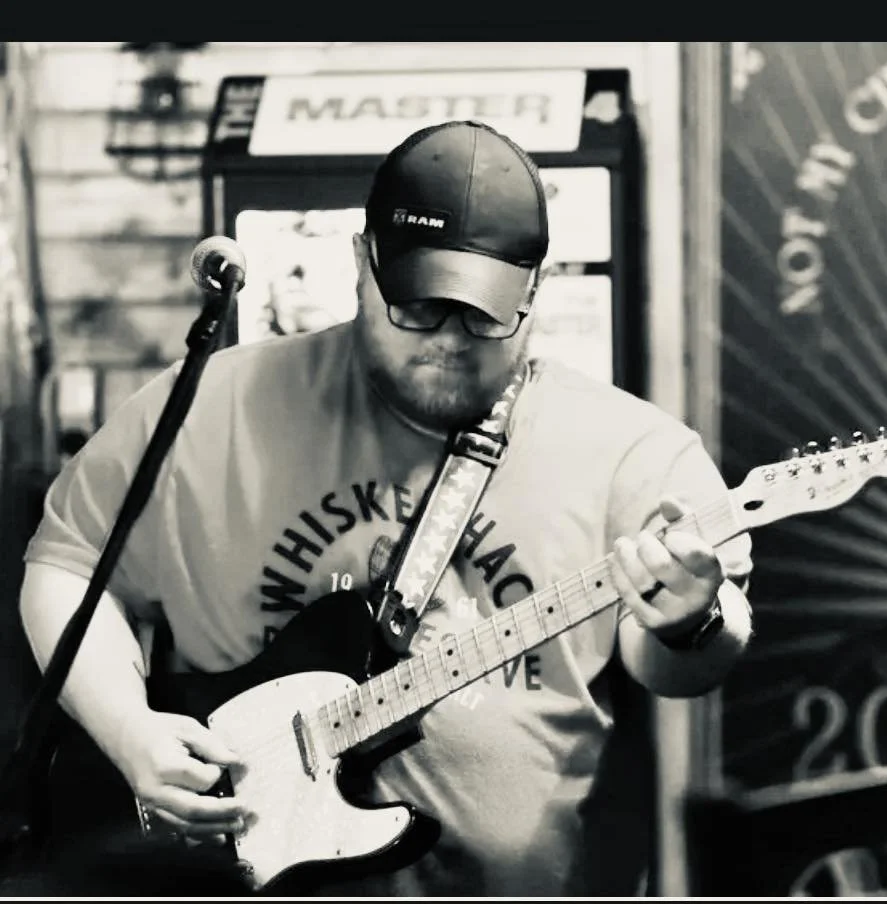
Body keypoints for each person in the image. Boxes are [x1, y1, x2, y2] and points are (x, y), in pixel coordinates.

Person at [15, 119, 754, 897]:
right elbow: (67, 567)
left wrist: (690, 620)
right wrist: (129, 733)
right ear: (362, 265)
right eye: (418, 306)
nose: (447, 337)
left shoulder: (638, 452)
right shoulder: (207, 405)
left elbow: (682, 672)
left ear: (536, 291)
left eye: (483, 313)